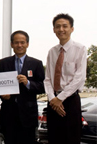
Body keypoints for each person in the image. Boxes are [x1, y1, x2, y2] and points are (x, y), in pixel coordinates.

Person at [44, 13, 87, 144]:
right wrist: (53, 99)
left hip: (70, 101)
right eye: (58, 27)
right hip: (53, 102)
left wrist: (60, 98)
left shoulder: (80, 49)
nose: (61, 29)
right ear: (54, 30)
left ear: (71, 29)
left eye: (65, 26)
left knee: (71, 139)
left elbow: (79, 78)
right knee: (54, 138)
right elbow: (47, 79)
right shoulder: (52, 52)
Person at [0, 30, 45, 144]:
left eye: (22, 42)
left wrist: (28, 83)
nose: (19, 45)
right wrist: (3, 95)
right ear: (11, 44)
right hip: (9, 114)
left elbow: (43, 87)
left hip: (28, 114)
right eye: (16, 42)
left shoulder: (36, 63)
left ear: (27, 44)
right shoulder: (3, 63)